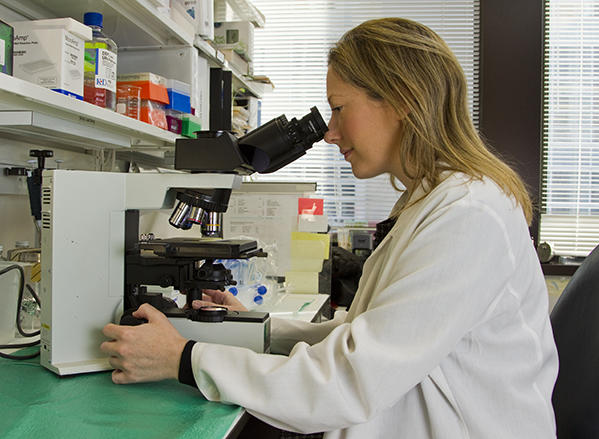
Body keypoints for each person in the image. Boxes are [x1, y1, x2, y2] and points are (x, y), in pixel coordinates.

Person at [101, 17, 558, 438]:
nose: (331, 132)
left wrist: (183, 359)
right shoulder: (437, 200)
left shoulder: (468, 215)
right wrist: (256, 325)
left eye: (339, 109)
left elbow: (349, 380)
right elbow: (366, 335)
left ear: (401, 101)